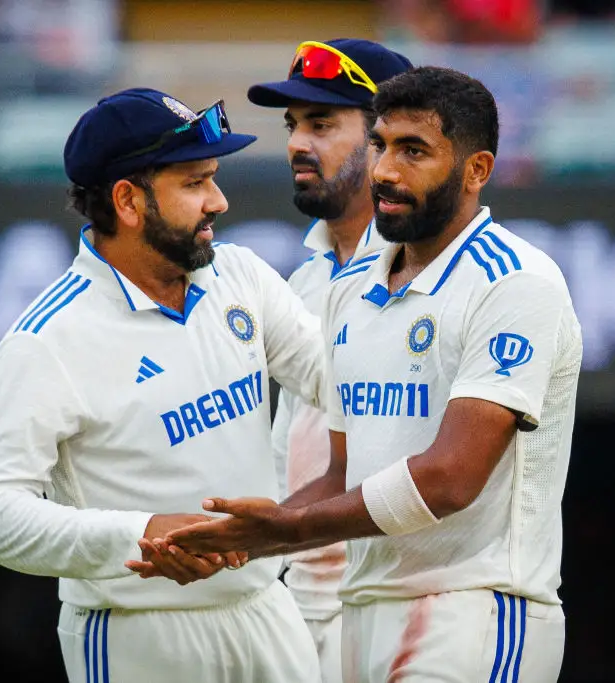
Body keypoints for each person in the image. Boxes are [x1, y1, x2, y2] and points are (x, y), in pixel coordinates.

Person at [169, 66, 583, 683]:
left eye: (414, 151)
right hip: (361, 615)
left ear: (477, 170)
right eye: (381, 147)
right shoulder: (351, 289)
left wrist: (284, 527)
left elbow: (450, 479)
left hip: (476, 611)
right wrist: (235, 538)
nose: (385, 171)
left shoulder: (516, 280)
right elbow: (341, 470)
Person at [0, 87, 325, 683]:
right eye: (194, 183)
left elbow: (335, 382)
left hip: (267, 611)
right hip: (140, 631)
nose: (219, 201)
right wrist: (143, 532)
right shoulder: (47, 341)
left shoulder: (241, 275)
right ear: (128, 200)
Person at [246, 37, 412, 683]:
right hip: (306, 602)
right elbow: (292, 448)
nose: (295, 143)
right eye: (293, 126)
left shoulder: (424, 268)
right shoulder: (307, 278)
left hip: (404, 599)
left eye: (322, 123)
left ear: (388, 141)